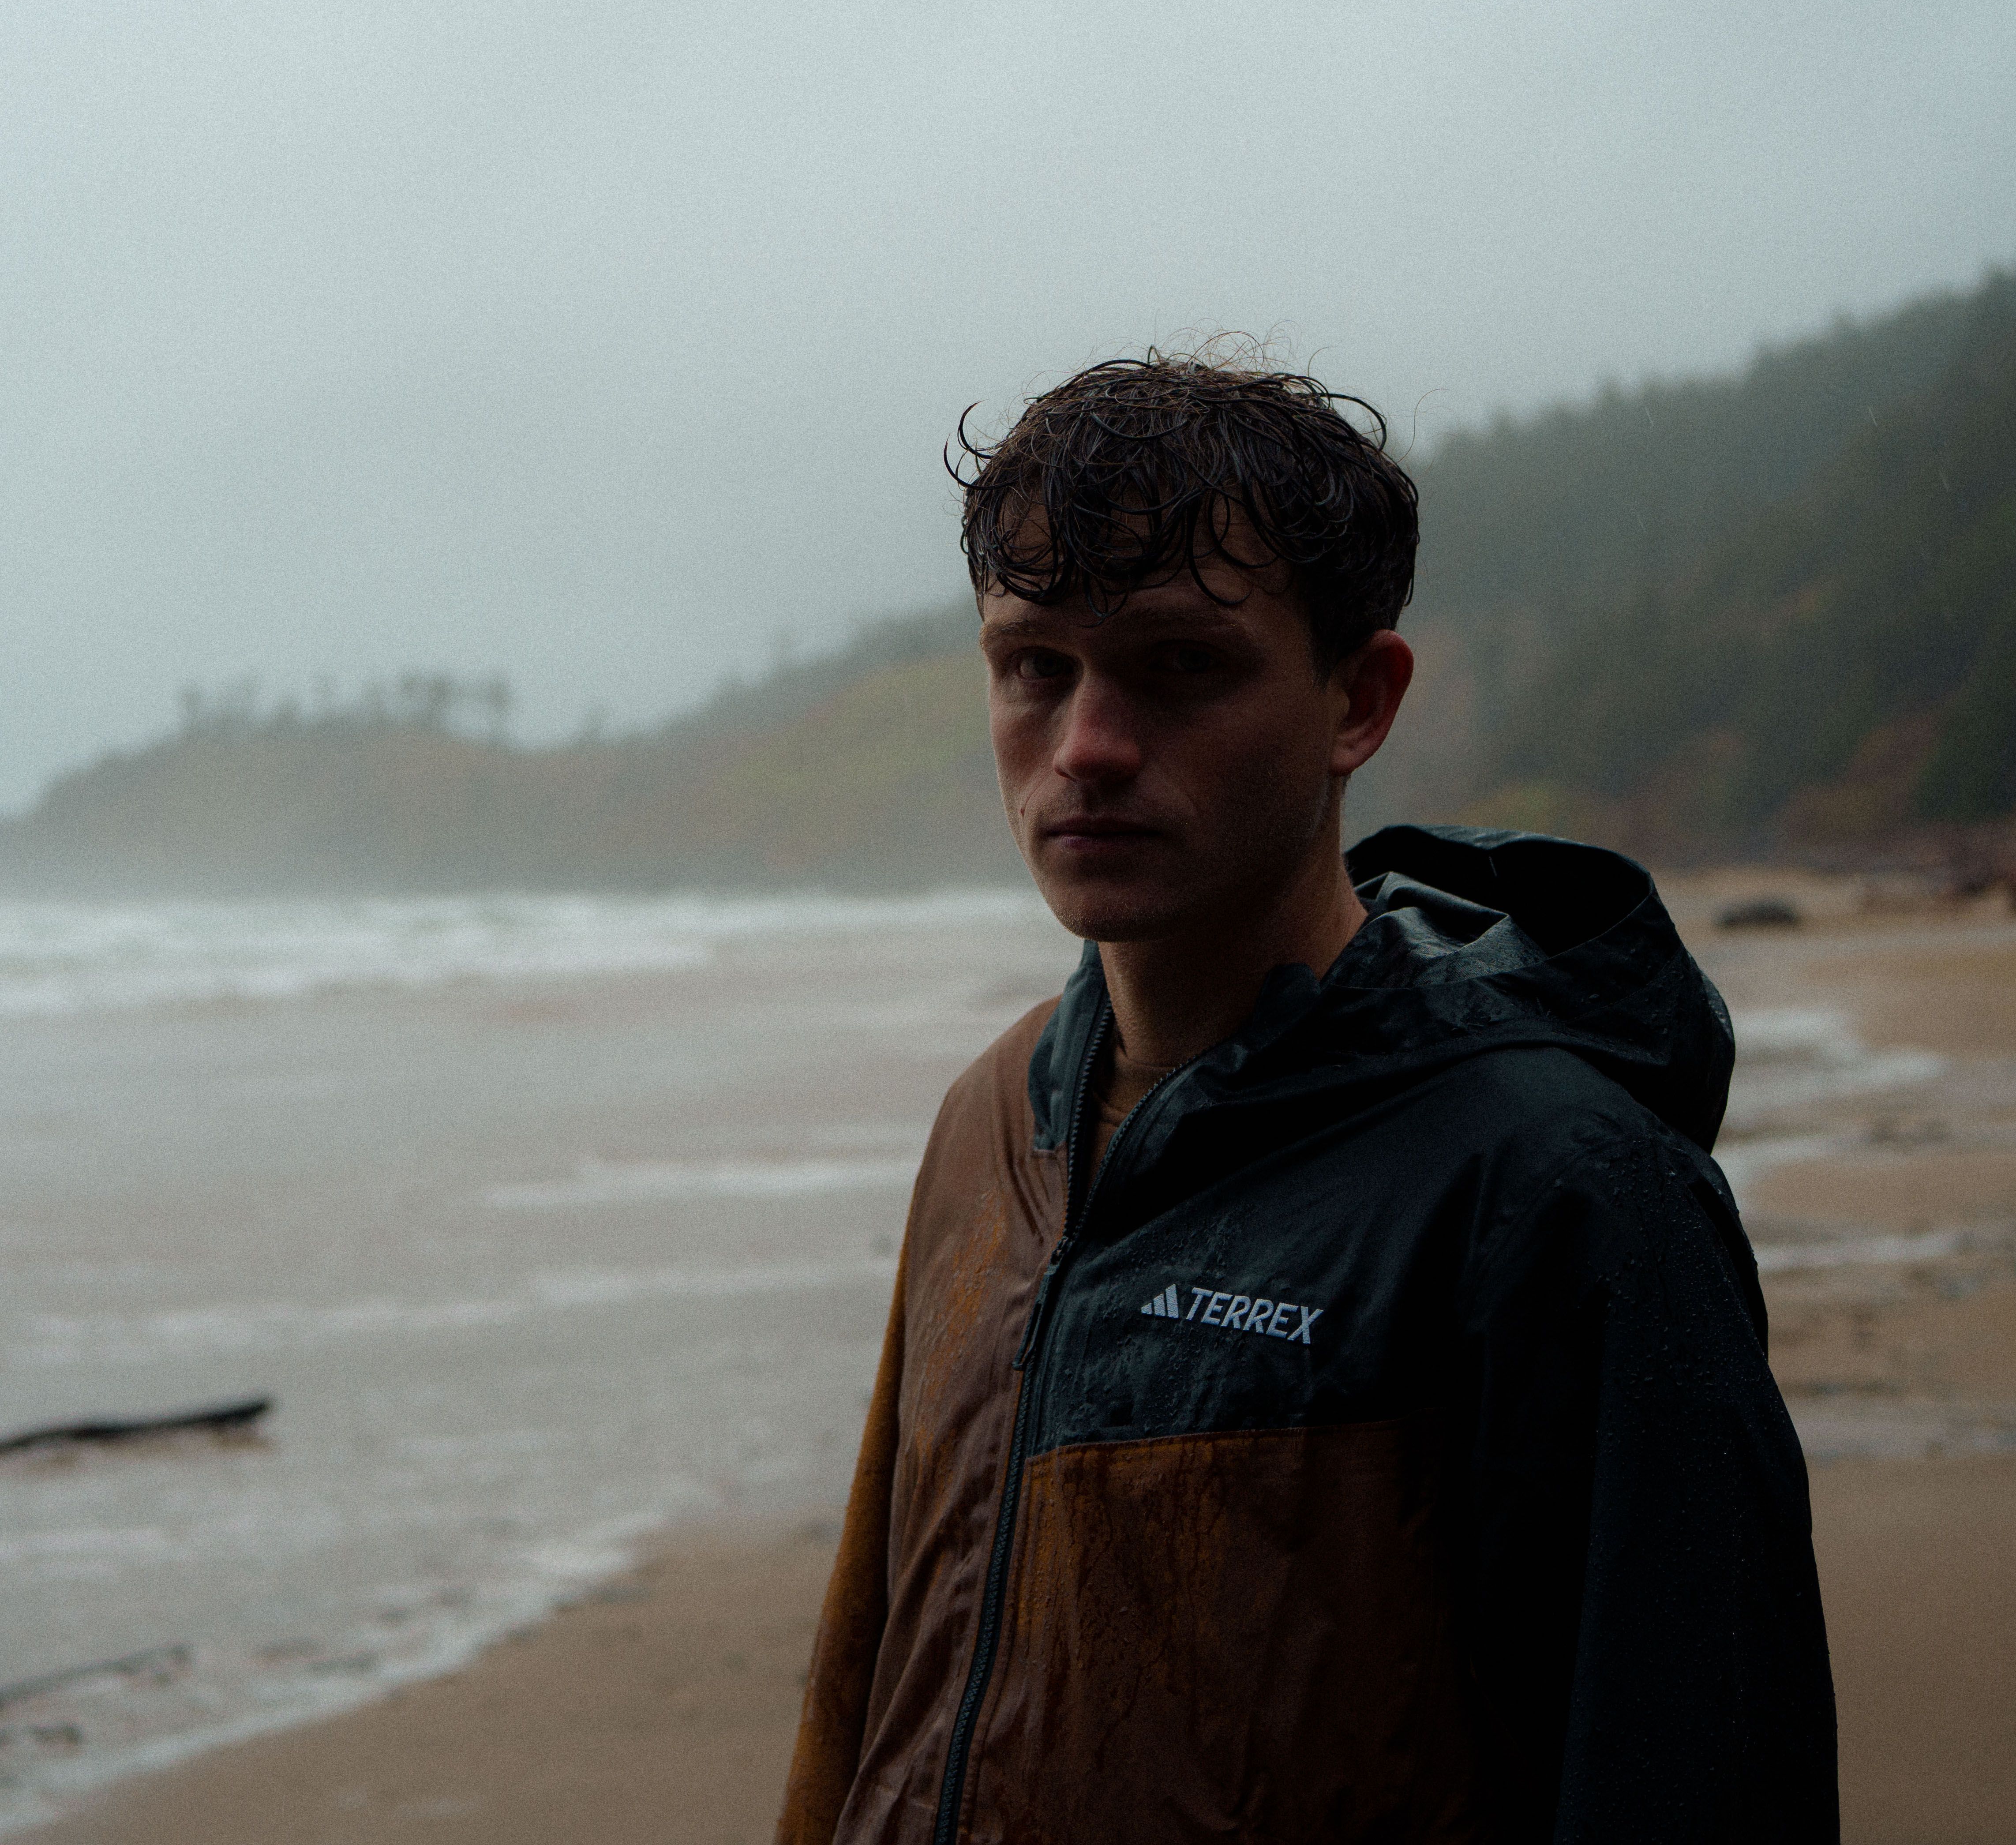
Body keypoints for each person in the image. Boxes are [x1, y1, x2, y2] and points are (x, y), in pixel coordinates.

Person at [775, 355, 1836, 1844]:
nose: (1085, 745)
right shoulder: (990, 1123)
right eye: (1036, 667)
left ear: (1360, 700)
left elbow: (1698, 1776)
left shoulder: (1563, 1193)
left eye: (1181, 666)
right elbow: (866, 1683)